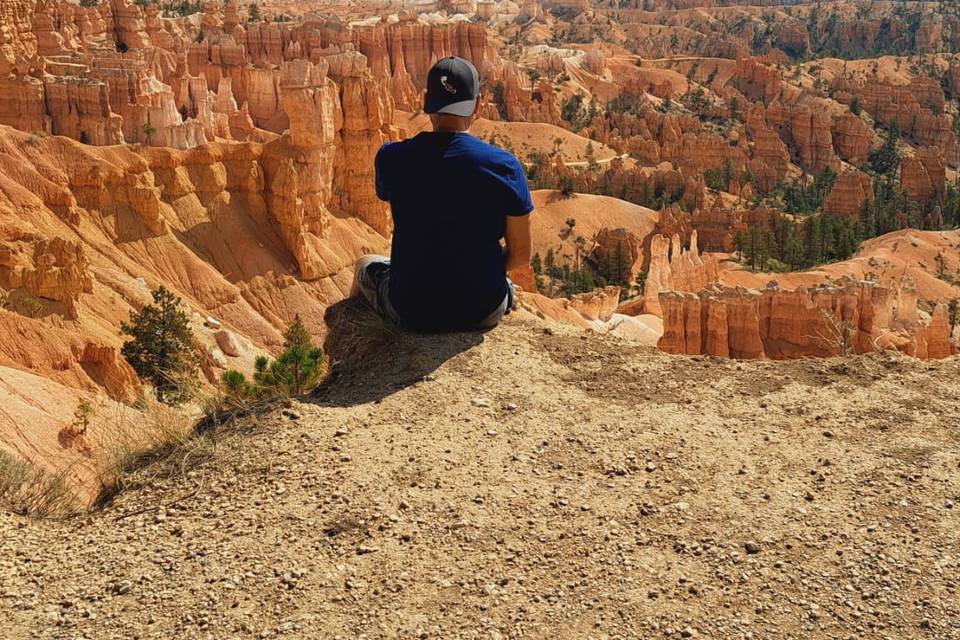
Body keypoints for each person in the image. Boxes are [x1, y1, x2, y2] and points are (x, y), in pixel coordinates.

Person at [352, 56, 534, 332]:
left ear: (425, 101)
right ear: (477, 104)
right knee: (504, 285)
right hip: (482, 309)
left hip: (411, 309)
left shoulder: (391, 158)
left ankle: (349, 352)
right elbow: (521, 255)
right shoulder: (504, 166)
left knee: (365, 264)